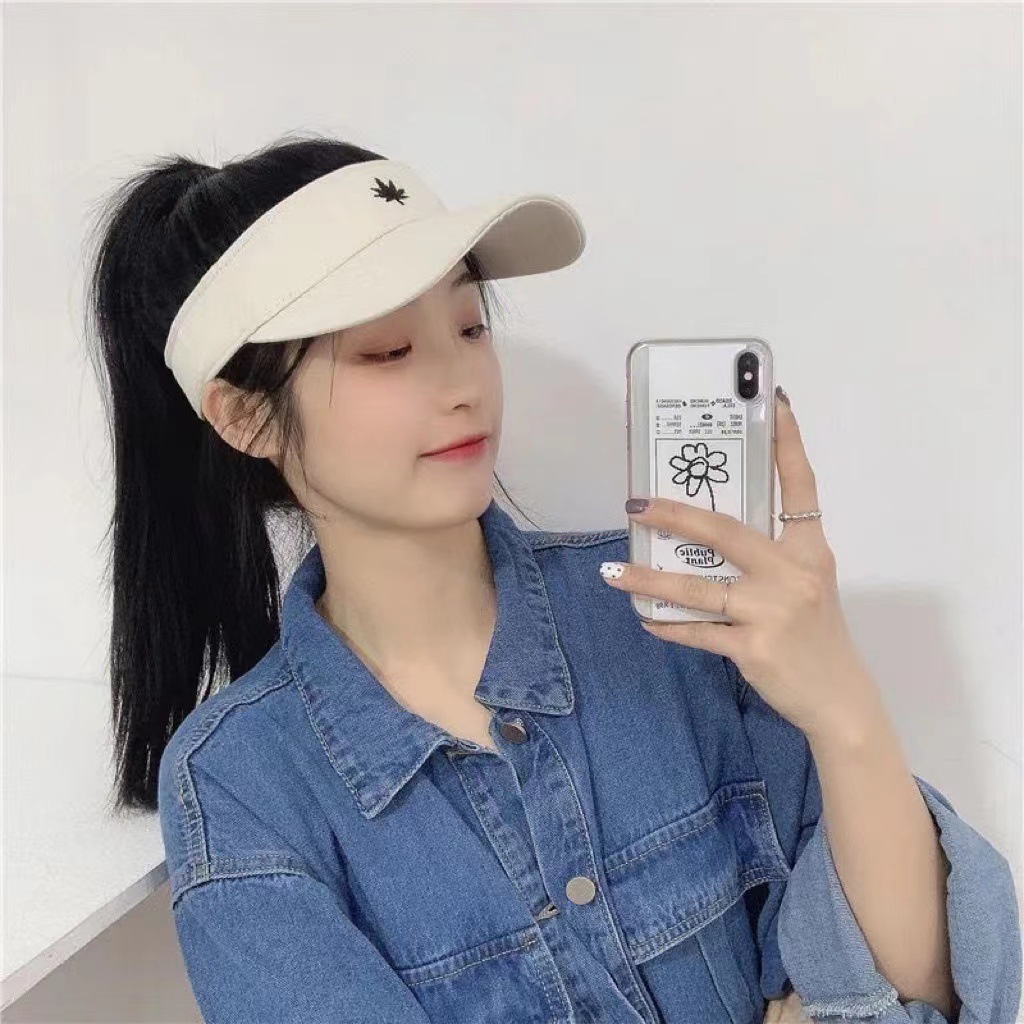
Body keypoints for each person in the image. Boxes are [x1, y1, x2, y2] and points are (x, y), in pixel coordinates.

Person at [83, 132, 1020, 1024]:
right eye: (388, 351)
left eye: (469, 324)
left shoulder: (672, 615)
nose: (464, 383)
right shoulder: (243, 786)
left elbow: (920, 994)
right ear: (244, 417)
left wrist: (843, 707)